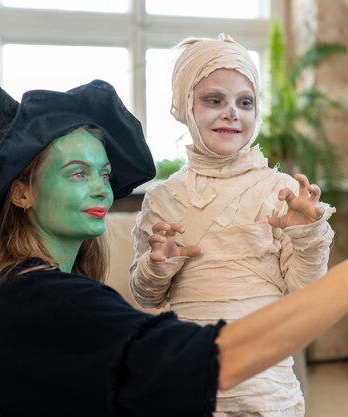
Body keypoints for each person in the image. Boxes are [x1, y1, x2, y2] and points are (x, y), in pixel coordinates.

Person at [0, 31, 348, 417]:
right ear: (21, 191)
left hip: (266, 382)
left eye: (104, 172)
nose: (102, 187)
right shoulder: (48, 301)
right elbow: (203, 354)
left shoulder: (51, 290)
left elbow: (298, 285)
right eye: (78, 172)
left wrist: (307, 233)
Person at [128, 34, 335, 416]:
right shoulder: (163, 199)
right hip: (190, 381)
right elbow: (146, 296)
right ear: (183, 106)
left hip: (266, 386)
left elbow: (306, 292)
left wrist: (308, 234)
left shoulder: (282, 191)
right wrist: (156, 266)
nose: (231, 113)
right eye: (214, 100)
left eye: (245, 102)